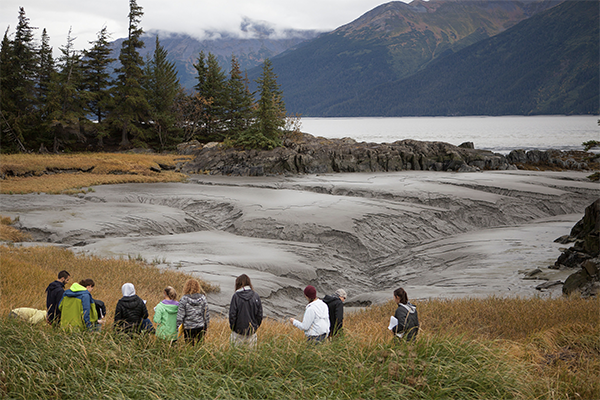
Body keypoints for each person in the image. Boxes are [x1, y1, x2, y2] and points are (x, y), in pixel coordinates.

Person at [229, 274, 263, 348]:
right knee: (250, 357)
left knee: (235, 355)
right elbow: (259, 315)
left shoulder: (236, 296)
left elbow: (232, 315)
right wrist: (255, 327)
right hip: (251, 332)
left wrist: (233, 328)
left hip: (237, 332)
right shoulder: (256, 296)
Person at [177, 279, 210, 345]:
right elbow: (206, 314)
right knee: (200, 347)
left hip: (188, 327)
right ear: (198, 287)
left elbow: (180, 316)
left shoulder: (184, 299)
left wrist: (177, 327)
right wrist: (206, 326)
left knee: (189, 347)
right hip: (200, 327)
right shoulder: (203, 298)